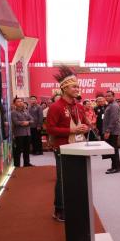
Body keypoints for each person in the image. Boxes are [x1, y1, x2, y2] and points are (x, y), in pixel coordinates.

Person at [46, 66, 89, 222]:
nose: (77, 89)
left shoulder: (79, 107)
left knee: (78, 178)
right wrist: (72, 130)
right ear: (64, 88)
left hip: (79, 147)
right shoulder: (55, 107)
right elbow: (50, 129)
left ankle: (74, 205)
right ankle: (60, 209)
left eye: (78, 86)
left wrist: (84, 128)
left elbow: (86, 124)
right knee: (63, 179)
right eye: (74, 86)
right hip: (62, 148)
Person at [103, 91, 120, 174]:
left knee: (114, 149)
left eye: (109, 96)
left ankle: (117, 167)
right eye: (106, 96)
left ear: (113, 96)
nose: (107, 97)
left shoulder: (114, 106)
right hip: (111, 130)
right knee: (112, 149)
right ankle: (115, 166)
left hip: (112, 131)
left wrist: (108, 131)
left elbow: (113, 120)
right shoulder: (110, 105)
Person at [11, 97, 34, 167]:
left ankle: (26, 163)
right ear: (14, 103)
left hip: (27, 133)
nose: (20, 102)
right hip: (19, 134)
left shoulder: (26, 111)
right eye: (18, 101)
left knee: (27, 149)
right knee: (18, 150)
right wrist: (24, 123)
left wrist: (28, 122)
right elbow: (15, 122)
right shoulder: (13, 112)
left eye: (21, 101)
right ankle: (17, 165)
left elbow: (32, 119)